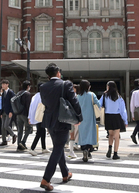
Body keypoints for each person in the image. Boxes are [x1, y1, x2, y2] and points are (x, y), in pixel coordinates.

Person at [39, 63, 82, 191]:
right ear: (58, 72)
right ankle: (46, 179)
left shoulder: (43, 87)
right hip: (63, 120)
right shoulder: (65, 84)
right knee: (58, 148)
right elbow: (74, 101)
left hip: (49, 121)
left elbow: (44, 102)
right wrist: (79, 117)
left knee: (58, 147)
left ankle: (65, 174)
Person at [100, 81, 127, 160]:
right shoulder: (119, 97)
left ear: (108, 87)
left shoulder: (105, 95)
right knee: (117, 136)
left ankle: (110, 148)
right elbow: (123, 109)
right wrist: (125, 120)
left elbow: (99, 104)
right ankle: (115, 153)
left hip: (108, 116)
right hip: (117, 116)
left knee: (110, 134)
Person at [76, 79, 100, 162]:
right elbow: (98, 104)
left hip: (81, 118)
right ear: (88, 87)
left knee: (83, 134)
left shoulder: (78, 96)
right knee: (90, 133)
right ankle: (89, 150)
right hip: (90, 117)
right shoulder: (91, 95)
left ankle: (84, 149)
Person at [27, 83, 49, 156]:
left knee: (42, 131)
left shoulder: (35, 96)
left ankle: (44, 148)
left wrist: (30, 117)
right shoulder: (42, 96)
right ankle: (32, 148)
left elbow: (31, 107)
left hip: (36, 117)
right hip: (41, 116)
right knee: (39, 132)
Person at [0, 79, 17, 146]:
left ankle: (13, 135)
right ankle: (4, 141)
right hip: (3, 111)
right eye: (2, 84)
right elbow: (2, 103)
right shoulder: (3, 93)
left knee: (6, 125)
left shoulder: (11, 92)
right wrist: (1, 113)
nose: (2, 85)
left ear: (7, 84)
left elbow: (13, 102)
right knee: (2, 127)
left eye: (4, 84)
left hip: (9, 111)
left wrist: (11, 111)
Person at [16, 80, 32, 151]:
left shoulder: (18, 93)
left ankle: (19, 144)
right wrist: (30, 116)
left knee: (20, 130)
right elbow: (28, 105)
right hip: (25, 114)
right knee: (29, 128)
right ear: (28, 86)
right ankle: (23, 142)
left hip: (18, 114)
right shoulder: (27, 94)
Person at [130, 79, 139, 144]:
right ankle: (134, 135)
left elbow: (132, 102)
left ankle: (134, 134)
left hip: (136, 109)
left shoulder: (132, 92)